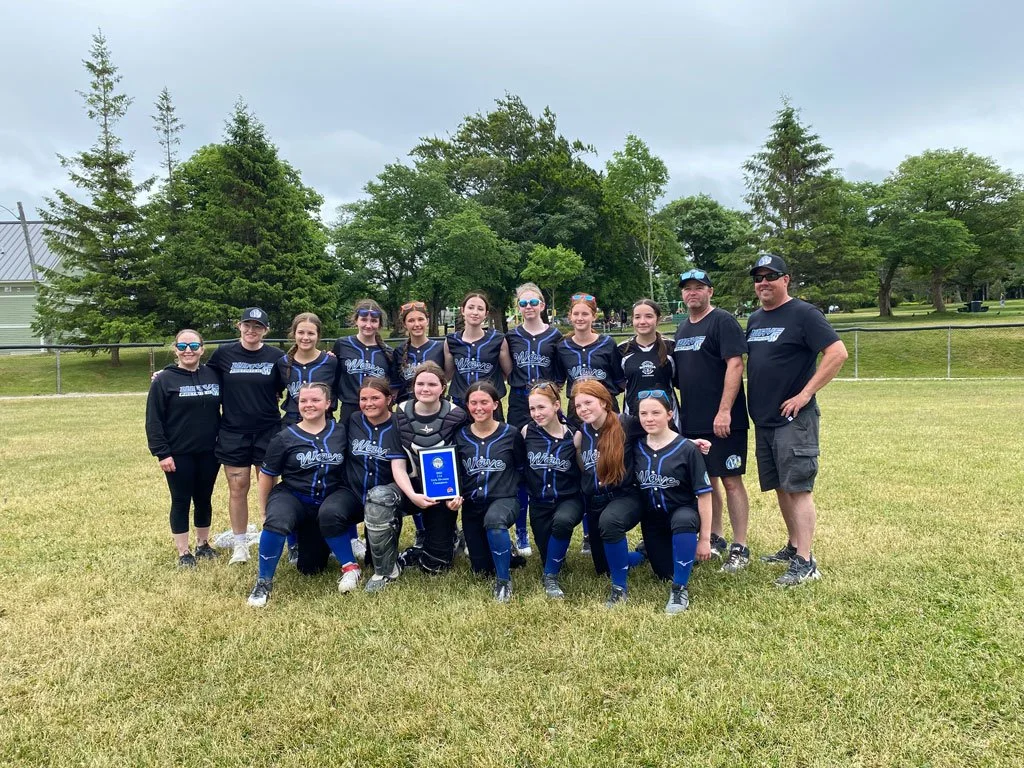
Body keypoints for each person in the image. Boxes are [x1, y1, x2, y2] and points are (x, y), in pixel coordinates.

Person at [745, 253, 848, 586]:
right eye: (758, 277)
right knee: (780, 486)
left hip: (794, 418)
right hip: (764, 418)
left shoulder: (804, 314)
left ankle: (806, 561)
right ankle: (793, 546)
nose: (763, 283)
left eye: (770, 276)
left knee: (798, 487)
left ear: (785, 279)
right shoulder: (755, 319)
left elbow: (837, 353)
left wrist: (805, 395)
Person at [318, 378, 431, 593]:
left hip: (384, 498)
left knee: (374, 560)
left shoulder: (399, 423)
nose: (369, 403)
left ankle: (388, 559)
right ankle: (349, 567)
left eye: (375, 398)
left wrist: (412, 495)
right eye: (364, 398)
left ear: (389, 399)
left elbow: (399, 467)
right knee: (329, 513)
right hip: (353, 490)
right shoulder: (353, 420)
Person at [673, 269, 752, 572]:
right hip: (693, 420)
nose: (692, 293)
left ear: (710, 292)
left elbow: (735, 365)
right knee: (707, 481)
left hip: (723, 419)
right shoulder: (681, 329)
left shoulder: (723, 321)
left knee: (731, 481)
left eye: (698, 287)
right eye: (687, 289)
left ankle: (740, 546)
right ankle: (716, 536)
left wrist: (724, 410)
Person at [246, 383, 345, 607]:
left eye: (315, 400)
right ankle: (263, 581)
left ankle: (306, 543)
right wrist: (264, 510)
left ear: (328, 403)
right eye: (303, 401)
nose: (309, 405)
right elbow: (267, 475)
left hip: (324, 505)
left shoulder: (340, 432)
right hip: (293, 496)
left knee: (311, 568)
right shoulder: (284, 437)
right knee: (277, 521)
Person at [205, 307, 284, 565]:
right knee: (237, 488)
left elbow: (295, 383)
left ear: (266, 330)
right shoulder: (224, 354)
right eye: (247, 325)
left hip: (268, 431)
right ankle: (240, 544)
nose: (252, 330)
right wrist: (167, 374)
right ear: (239, 326)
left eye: (258, 326)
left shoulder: (276, 356)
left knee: (268, 490)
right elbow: (200, 375)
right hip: (234, 432)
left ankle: (268, 537)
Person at [145, 330, 222, 567]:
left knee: (204, 498)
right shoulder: (164, 380)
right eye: (182, 345)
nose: (188, 350)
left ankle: (203, 544)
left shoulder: (214, 374)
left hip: (209, 451)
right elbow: (154, 420)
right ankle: (183, 552)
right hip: (178, 454)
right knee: (181, 500)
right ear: (175, 349)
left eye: (193, 345)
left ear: (202, 348)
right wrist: (162, 453)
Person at [633, 389, 713, 613]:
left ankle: (680, 589)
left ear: (670, 414)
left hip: (682, 512)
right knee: (663, 573)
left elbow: (705, 495)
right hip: (653, 521)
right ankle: (666, 553)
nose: (649, 418)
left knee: (684, 520)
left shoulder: (687, 449)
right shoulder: (636, 446)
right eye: (644, 413)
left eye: (656, 413)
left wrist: (705, 539)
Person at [558, 292, 624, 554]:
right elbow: (558, 381)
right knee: (585, 470)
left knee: (610, 466)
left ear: (594, 316)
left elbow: (619, 381)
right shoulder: (563, 347)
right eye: (576, 314)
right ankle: (589, 532)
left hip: (607, 415)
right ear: (570, 316)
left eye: (585, 313)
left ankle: (612, 526)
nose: (580, 318)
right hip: (577, 417)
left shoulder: (608, 344)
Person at [571, 380, 647, 605]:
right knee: (602, 566)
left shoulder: (625, 423)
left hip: (625, 496)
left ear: (604, 402)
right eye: (578, 406)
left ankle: (619, 589)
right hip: (596, 501)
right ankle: (644, 554)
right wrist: (576, 447)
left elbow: (659, 430)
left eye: (588, 402)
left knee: (610, 522)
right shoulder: (582, 431)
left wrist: (690, 442)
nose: (583, 409)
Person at [448, 382, 525, 603]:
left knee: (494, 520)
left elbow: (521, 469)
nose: (479, 407)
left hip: (504, 500)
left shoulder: (511, 434)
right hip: (473, 506)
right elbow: (456, 472)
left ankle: (504, 581)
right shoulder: (460, 435)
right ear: (467, 405)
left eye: (484, 402)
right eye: (473, 403)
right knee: (481, 569)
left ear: (495, 404)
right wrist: (453, 495)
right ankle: (504, 550)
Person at [505, 282, 563, 556]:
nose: (528, 308)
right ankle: (521, 532)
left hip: (547, 401)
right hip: (519, 402)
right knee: (520, 465)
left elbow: (560, 372)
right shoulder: (511, 336)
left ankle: (552, 519)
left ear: (542, 305)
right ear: (518, 307)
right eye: (523, 304)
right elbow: (507, 370)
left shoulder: (555, 336)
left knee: (546, 460)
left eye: (533, 303)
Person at [394, 362, 468, 573]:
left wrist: (457, 494)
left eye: (432, 384)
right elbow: (397, 462)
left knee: (435, 566)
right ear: (413, 386)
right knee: (381, 500)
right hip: (410, 484)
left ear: (442, 387)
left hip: (442, 489)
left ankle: (449, 537)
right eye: (420, 383)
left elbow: (462, 460)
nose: (425, 389)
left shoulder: (457, 415)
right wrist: (412, 494)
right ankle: (383, 556)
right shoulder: (399, 413)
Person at [521, 381, 582, 600]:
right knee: (548, 553)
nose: (536, 413)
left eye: (541, 407)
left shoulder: (574, 435)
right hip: (539, 503)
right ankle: (555, 559)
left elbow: (584, 470)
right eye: (532, 409)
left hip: (568, 499)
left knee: (563, 522)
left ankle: (550, 578)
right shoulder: (527, 432)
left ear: (556, 405)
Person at [444, 291, 513, 415]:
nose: (475, 312)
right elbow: (448, 375)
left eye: (480, 309)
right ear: (462, 310)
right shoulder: (451, 341)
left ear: (486, 314)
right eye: (470, 307)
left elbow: (507, 372)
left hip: (489, 404)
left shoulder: (498, 340)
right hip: (461, 404)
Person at [332, 299, 396, 424]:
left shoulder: (388, 352)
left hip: (378, 410)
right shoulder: (342, 344)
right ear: (356, 320)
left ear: (380, 324)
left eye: (373, 321)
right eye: (363, 319)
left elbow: (392, 386)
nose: (368, 325)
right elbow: (334, 378)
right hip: (350, 410)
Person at [619, 298, 678, 420]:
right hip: (633, 417)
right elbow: (619, 381)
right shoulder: (622, 349)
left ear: (658, 319)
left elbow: (678, 380)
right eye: (637, 317)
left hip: (667, 417)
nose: (642, 321)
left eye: (648, 316)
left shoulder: (671, 347)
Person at [276, 312, 338, 426]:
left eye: (311, 333)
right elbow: (276, 392)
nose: (305, 337)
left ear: (318, 335)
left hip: (323, 423)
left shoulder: (331, 362)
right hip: (291, 423)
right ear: (294, 334)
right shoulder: (283, 363)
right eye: (301, 332)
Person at [392, 301, 446, 404]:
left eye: (421, 319)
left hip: (434, 407)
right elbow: (395, 385)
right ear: (404, 324)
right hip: (406, 407)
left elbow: (446, 378)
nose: (417, 324)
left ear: (427, 321)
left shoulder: (441, 348)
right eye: (411, 320)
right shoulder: (399, 351)